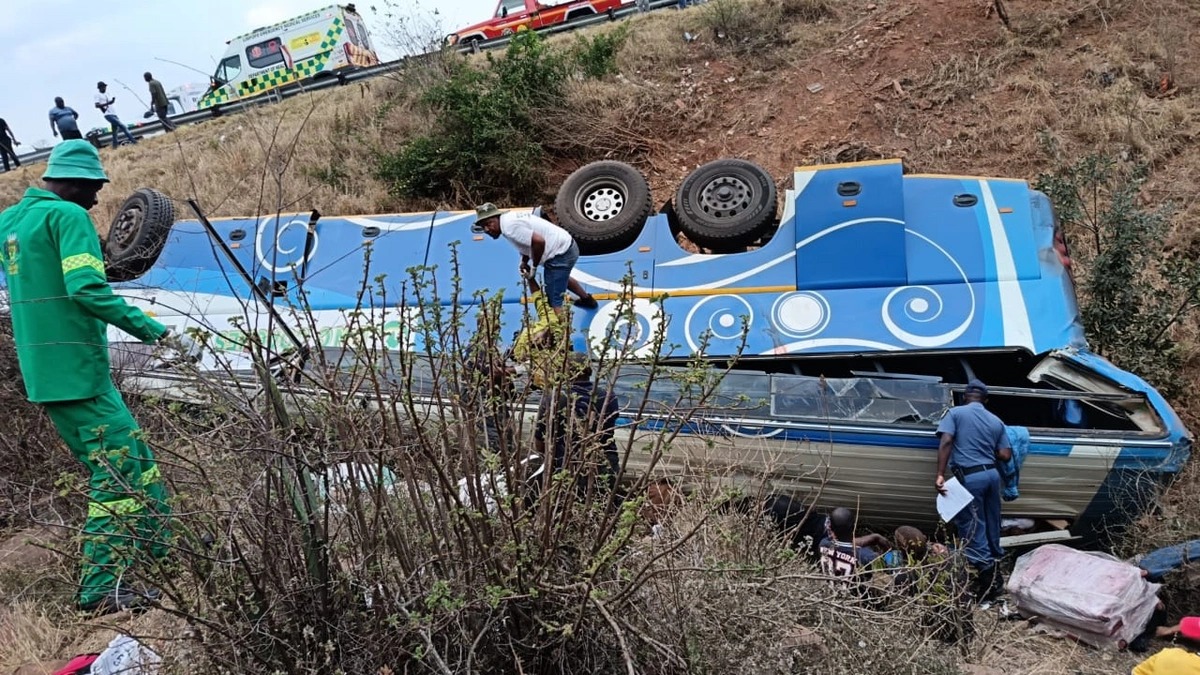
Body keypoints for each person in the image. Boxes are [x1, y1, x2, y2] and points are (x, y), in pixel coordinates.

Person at [0, 140, 203, 615]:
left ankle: (166, 550)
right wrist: (156, 332)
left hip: (48, 371)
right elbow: (87, 289)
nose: (96, 202)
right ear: (76, 183)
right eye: (94, 189)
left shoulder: (11, 221)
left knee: (138, 456)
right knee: (115, 472)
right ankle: (99, 589)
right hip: (78, 371)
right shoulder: (67, 216)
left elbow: (47, 276)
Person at [935, 378, 1012, 602]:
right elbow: (1005, 454)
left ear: (964, 397)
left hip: (971, 477)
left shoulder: (955, 413)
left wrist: (940, 473)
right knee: (991, 523)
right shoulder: (996, 420)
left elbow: (946, 441)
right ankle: (996, 573)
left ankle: (988, 587)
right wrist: (985, 448)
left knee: (972, 525)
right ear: (985, 400)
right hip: (992, 476)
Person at [472, 203, 598, 314]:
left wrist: (534, 267)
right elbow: (527, 242)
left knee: (553, 301)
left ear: (497, 217)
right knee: (560, 277)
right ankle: (587, 300)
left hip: (560, 254)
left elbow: (539, 241)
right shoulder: (507, 220)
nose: (487, 229)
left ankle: (562, 331)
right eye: (483, 226)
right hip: (566, 245)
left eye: (489, 223)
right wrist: (524, 261)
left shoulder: (510, 228)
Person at [533, 351, 622, 497]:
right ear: (589, 371)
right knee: (603, 505)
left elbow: (540, 443)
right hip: (604, 466)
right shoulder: (608, 396)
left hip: (566, 467)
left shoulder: (554, 398)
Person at [818, 507, 886, 591]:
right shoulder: (867, 556)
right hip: (854, 597)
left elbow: (844, 544)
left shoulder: (823, 544)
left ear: (830, 527)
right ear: (854, 527)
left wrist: (872, 538)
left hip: (829, 592)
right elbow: (884, 571)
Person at [94, 82, 137, 148]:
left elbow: (110, 103)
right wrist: (108, 103)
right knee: (123, 126)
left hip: (114, 113)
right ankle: (134, 141)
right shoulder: (97, 95)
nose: (105, 88)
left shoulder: (107, 93)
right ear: (100, 88)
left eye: (105, 87)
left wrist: (112, 101)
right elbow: (97, 105)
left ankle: (115, 147)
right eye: (103, 87)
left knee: (115, 132)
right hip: (108, 114)